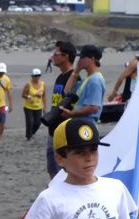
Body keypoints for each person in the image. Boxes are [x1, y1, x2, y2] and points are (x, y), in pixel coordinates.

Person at [45, 40, 77, 179]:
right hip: (52, 129)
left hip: (63, 131)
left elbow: (73, 103)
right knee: (52, 168)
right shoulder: (60, 77)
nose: (53, 57)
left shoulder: (74, 78)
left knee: (62, 171)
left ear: (66, 56)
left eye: (56, 53)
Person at [61, 44, 105, 123]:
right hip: (80, 122)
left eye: (82, 57)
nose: (79, 60)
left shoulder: (95, 80)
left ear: (92, 59)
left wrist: (72, 114)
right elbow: (67, 91)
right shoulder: (87, 79)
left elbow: (93, 107)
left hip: (87, 123)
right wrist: (76, 71)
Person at [22, 68, 47, 141]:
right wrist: (29, 97)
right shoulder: (28, 84)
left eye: (38, 75)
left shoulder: (43, 84)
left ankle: (32, 133)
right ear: (32, 76)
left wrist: (45, 107)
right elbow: (23, 94)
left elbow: (44, 96)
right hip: (28, 106)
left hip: (38, 106)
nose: (37, 77)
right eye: (35, 76)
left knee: (38, 123)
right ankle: (28, 136)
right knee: (30, 121)